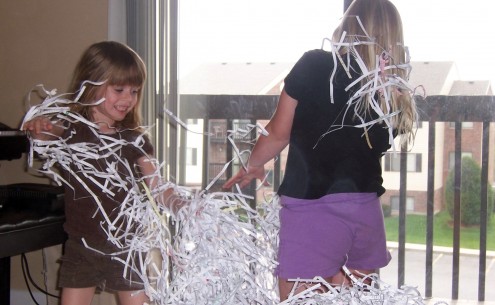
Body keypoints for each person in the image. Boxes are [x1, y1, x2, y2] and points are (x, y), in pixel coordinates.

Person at [223, 0, 418, 301]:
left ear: (347, 26)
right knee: (352, 297)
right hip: (365, 212)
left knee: (299, 297)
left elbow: (277, 132)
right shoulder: (389, 91)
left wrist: (255, 163)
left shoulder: (315, 65)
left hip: (313, 209)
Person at [22, 41, 181, 305]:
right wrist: (38, 127)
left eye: (134, 91)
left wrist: (182, 205)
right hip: (81, 247)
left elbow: (159, 187)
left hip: (126, 248)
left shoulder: (134, 140)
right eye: (119, 89)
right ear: (91, 84)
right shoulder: (73, 132)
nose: (128, 98)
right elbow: (48, 132)